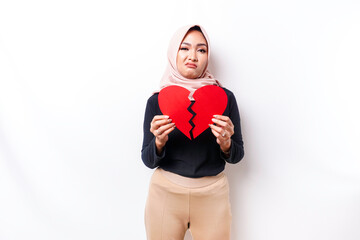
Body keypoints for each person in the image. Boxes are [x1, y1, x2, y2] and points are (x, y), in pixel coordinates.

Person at [141, 24, 244, 240]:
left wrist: (226, 144)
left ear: (208, 56)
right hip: (165, 194)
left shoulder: (224, 98)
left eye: (201, 49)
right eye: (184, 48)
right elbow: (148, 160)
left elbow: (237, 155)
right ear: (173, 53)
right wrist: (159, 141)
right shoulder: (157, 101)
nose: (193, 56)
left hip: (213, 195)